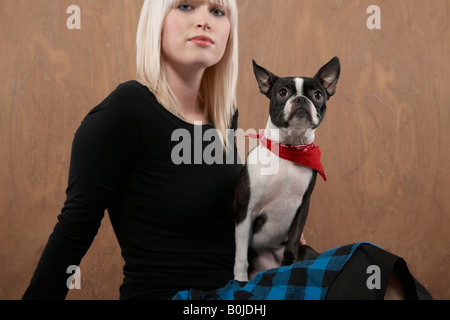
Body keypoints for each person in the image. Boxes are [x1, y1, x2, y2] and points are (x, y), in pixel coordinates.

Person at [23, 0, 432, 300]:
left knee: (378, 274)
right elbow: (73, 230)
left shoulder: (225, 116)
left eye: (218, 11)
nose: (204, 19)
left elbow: (226, 215)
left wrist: (274, 225)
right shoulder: (127, 109)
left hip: (241, 292)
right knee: (370, 277)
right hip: (182, 301)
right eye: (185, 5)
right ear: (156, 21)